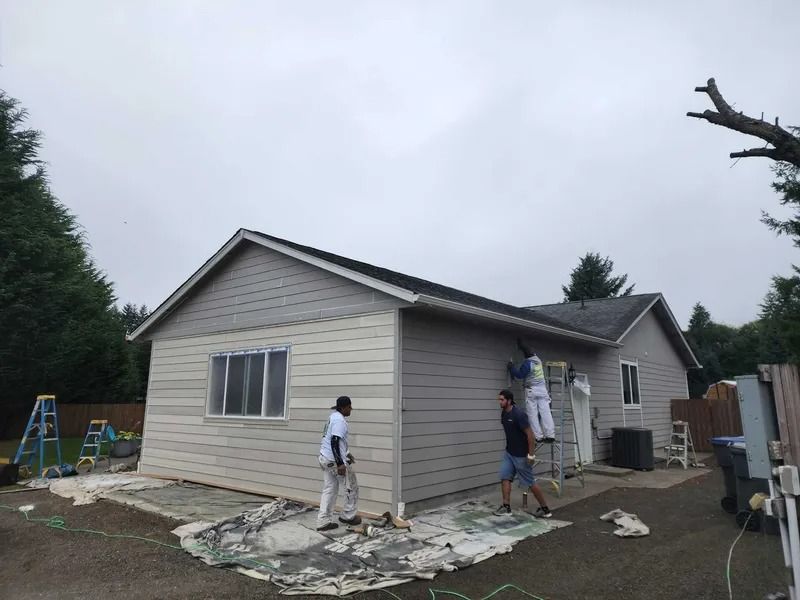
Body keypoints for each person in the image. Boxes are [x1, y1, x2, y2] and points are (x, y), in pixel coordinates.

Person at [494, 389, 552, 518]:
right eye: (499, 399)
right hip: (509, 453)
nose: (500, 402)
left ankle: (545, 509)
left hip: (521, 455)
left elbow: (530, 436)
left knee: (530, 483)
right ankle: (506, 506)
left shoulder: (519, 415)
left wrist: (531, 455)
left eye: (502, 399)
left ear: (509, 401)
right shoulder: (504, 413)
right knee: (505, 477)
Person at [316, 395, 360, 531]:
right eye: (349, 407)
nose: (351, 409)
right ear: (343, 407)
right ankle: (348, 516)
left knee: (329, 489)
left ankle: (323, 521)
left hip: (325, 458)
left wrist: (346, 454)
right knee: (351, 486)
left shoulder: (333, 417)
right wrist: (340, 463)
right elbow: (334, 441)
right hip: (334, 461)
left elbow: (337, 442)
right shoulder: (340, 421)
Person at [507, 338, 555, 444]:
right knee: (545, 412)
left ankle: (538, 436)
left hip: (532, 391)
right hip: (542, 390)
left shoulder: (528, 363)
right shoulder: (538, 361)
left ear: (525, 355)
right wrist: (522, 345)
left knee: (532, 414)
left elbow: (520, 375)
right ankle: (550, 435)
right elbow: (528, 349)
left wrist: (511, 368)